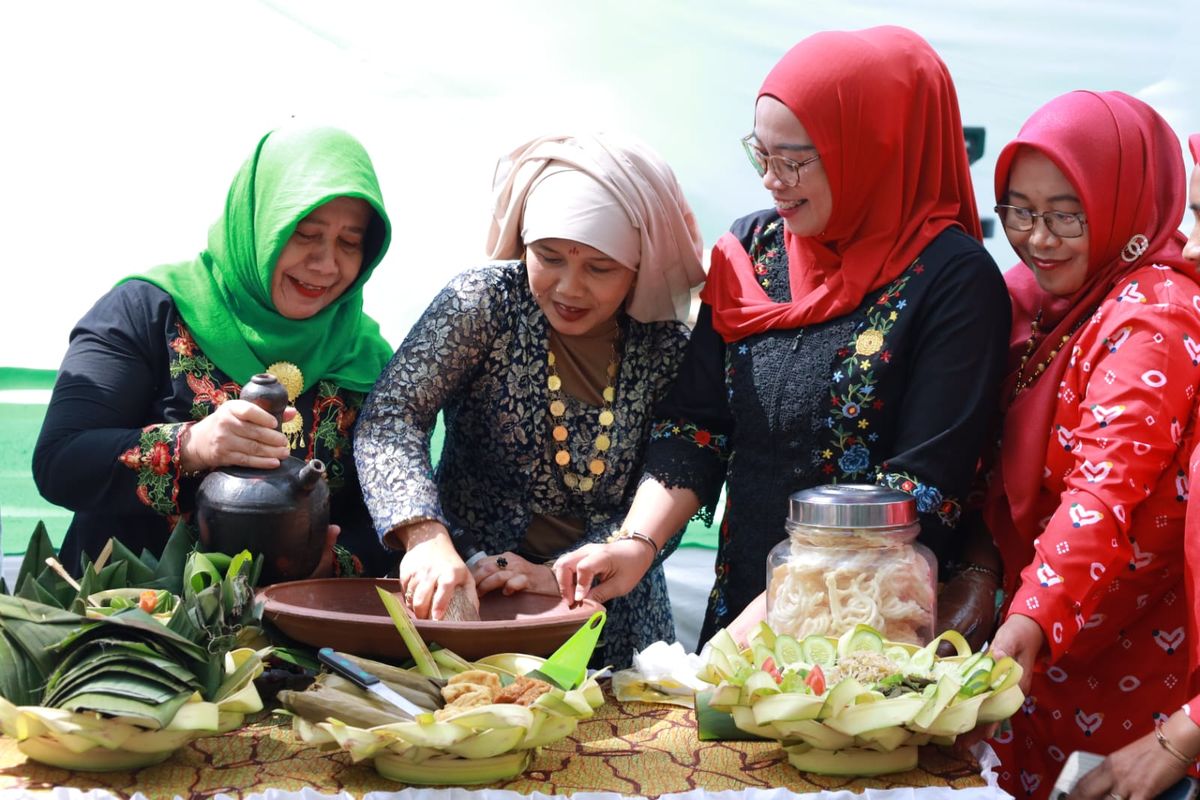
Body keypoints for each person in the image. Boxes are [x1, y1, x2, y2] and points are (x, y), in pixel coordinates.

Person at [553, 26, 1011, 650]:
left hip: (870, 635)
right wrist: (635, 543)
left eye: (794, 160)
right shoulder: (753, 249)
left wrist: (761, 629)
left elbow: (918, 492)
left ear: (873, 148)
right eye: (761, 155)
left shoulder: (954, 281)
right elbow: (696, 427)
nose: (772, 180)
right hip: (743, 607)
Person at [354, 133, 705, 667]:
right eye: (550, 257)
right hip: (467, 601)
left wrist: (560, 575)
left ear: (640, 265)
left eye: (600, 268)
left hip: (614, 627)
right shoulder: (484, 303)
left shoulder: (667, 348)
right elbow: (391, 416)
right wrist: (425, 537)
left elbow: (677, 481)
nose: (570, 288)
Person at [34, 125, 399, 578]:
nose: (325, 264)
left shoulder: (368, 358)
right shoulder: (149, 311)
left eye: (349, 243)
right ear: (257, 224)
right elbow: (61, 462)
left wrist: (333, 563)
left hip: (296, 637)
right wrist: (192, 446)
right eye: (304, 234)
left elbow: (391, 514)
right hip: (128, 624)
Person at [978, 94, 1200, 800]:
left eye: (1068, 213)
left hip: (1133, 693)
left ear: (1124, 201)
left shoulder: (1153, 315)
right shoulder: (1035, 304)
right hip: (1046, 665)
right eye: (1019, 211)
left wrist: (1030, 617)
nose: (1039, 238)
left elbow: (1103, 490)